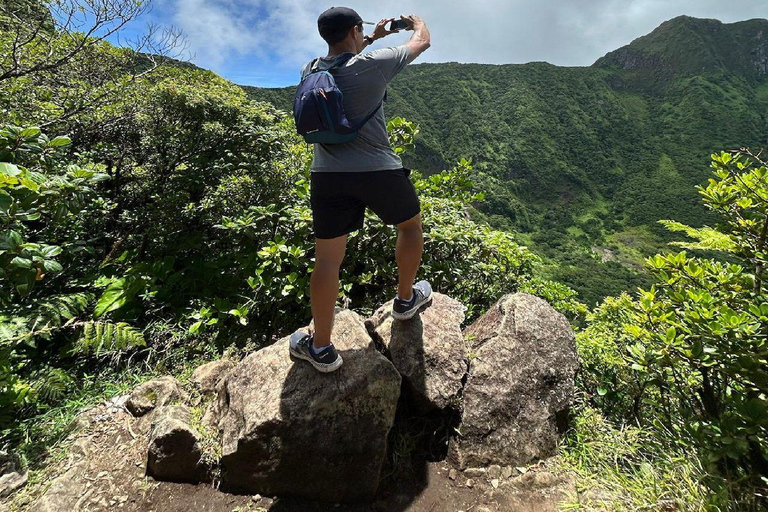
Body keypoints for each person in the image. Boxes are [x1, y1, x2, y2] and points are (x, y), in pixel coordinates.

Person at [289, 7, 433, 373]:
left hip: (327, 176)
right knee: (410, 227)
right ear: (355, 29)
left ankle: (320, 347)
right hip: (379, 172)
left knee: (326, 261)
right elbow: (422, 42)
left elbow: (340, 58)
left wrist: (370, 37)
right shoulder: (375, 63)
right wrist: (414, 23)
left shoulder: (310, 69)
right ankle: (405, 301)